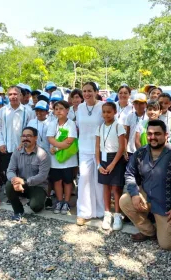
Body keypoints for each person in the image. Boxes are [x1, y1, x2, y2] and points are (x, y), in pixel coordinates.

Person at [120, 120, 171, 250]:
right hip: (147, 198)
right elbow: (129, 173)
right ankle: (149, 231)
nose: (153, 137)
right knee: (125, 201)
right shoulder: (141, 152)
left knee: (168, 245)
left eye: (157, 134)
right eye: (150, 134)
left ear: (166, 135)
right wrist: (134, 194)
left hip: (169, 207)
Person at [6, 127, 51, 222]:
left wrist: (24, 182)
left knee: (36, 207)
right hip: (21, 184)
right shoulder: (17, 152)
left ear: (35, 138)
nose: (25, 138)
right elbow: (10, 170)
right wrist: (14, 180)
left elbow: (42, 176)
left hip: (37, 186)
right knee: (9, 185)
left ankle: (40, 199)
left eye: (29, 136)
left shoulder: (42, 154)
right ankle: (18, 211)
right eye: (23, 136)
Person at [76, 82, 105, 226]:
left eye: (90, 91)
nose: (87, 94)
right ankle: (84, 212)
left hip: (100, 149)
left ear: (95, 92)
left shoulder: (102, 107)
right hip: (84, 149)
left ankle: (101, 211)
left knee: (99, 181)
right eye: (84, 91)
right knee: (84, 180)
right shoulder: (80, 108)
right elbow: (78, 128)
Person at [95, 102, 126, 230]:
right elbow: (97, 147)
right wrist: (98, 164)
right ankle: (107, 214)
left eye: (109, 111)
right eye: (104, 112)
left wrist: (113, 163)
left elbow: (122, 147)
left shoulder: (119, 127)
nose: (106, 114)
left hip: (116, 159)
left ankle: (117, 215)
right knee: (106, 187)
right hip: (103, 158)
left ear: (115, 112)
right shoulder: (99, 127)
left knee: (116, 188)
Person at [47, 100, 78, 215]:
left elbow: (70, 141)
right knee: (57, 180)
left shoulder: (71, 124)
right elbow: (50, 138)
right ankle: (59, 201)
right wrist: (60, 146)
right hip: (55, 159)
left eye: (61, 108)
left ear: (67, 110)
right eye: (56, 109)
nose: (58, 111)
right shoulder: (52, 124)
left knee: (68, 181)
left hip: (68, 158)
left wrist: (56, 148)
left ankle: (66, 202)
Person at [0, 86, 30, 185]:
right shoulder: (3, 111)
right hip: (7, 148)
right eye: (10, 94)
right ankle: (10, 192)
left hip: (23, 148)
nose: (13, 96)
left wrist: (24, 143)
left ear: (20, 95)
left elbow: (31, 130)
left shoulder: (27, 111)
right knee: (9, 171)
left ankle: (23, 192)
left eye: (15, 94)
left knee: (22, 171)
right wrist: (1, 143)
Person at [125, 93, 148, 157]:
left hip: (144, 149)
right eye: (136, 103)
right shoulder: (130, 116)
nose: (138, 105)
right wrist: (124, 149)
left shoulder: (148, 117)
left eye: (141, 103)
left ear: (146, 104)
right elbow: (127, 134)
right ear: (133, 104)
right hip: (130, 149)